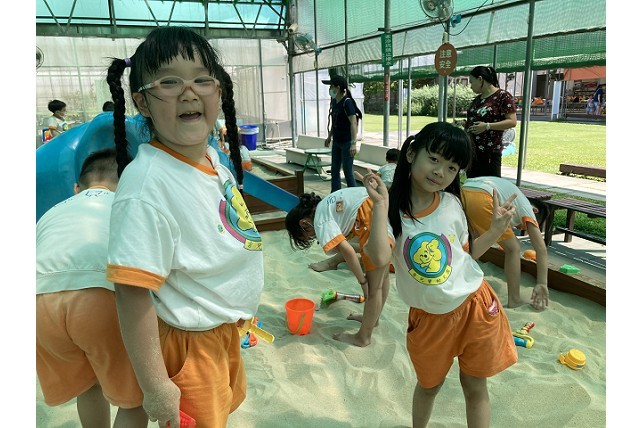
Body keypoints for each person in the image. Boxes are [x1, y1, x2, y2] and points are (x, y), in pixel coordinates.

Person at [105, 26, 264, 427]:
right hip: (188, 342)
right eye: (170, 82)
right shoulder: (147, 186)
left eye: (202, 79)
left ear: (219, 91)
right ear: (142, 101)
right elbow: (131, 292)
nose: (189, 92)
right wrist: (156, 385)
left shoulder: (211, 158)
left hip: (220, 330)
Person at [361, 122, 518, 427]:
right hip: (429, 320)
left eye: (451, 167)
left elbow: (466, 255)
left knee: (475, 386)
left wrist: (496, 230)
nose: (440, 172)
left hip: (475, 306)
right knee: (429, 386)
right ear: (411, 154)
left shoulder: (452, 203)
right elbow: (378, 257)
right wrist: (380, 205)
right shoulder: (391, 211)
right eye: (433, 159)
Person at [36, 148, 148, 427]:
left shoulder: (52, 212)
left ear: (77, 188)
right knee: (135, 399)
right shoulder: (126, 205)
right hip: (98, 294)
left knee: (88, 385)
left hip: (38, 299)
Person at [285, 187, 392, 347]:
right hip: (381, 207)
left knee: (373, 287)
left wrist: (362, 282)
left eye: (307, 236)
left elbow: (348, 252)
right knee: (383, 276)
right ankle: (373, 319)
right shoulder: (324, 207)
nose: (312, 237)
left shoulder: (320, 221)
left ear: (304, 223)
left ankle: (363, 337)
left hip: (370, 217)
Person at [461, 176, 549, 310]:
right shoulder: (527, 207)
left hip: (464, 191)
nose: (520, 227)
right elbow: (541, 249)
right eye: (524, 227)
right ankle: (514, 299)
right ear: (535, 211)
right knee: (513, 248)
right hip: (483, 196)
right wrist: (542, 283)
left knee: (472, 242)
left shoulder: (514, 197)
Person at [465, 66, 517, 178]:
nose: (471, 86)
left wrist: (487, 126)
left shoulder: (503, 96)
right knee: (472, 184)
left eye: (472, 82)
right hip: (472, 151)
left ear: (480, 79)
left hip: (490, 152)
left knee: (489, 184)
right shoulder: (477, 100)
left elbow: (512, 122)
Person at [322, 75, 359, 192]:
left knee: (347, 171)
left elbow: (353, 123)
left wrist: (353, 143)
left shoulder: (347, 102)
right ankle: (335, 194)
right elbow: (335, 122)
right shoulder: (334, 102)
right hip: (337, 141)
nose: (329, 89)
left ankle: (354, 195)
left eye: (331, 86)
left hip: (347, 142)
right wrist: (329, 136)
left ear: (337, 88)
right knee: (334, 170)